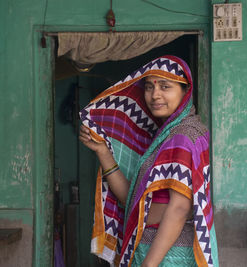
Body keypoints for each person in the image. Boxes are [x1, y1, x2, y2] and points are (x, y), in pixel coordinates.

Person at [79, 55, 219, 267]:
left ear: (185, 91)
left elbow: (180, 207)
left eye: (165, 86)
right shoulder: (164, 137)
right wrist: (103, 152)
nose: (155, 95)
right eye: (149, 87)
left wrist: (149, 264)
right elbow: (132, 200)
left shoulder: (183, 136)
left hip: (169, 255)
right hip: (152, 249)